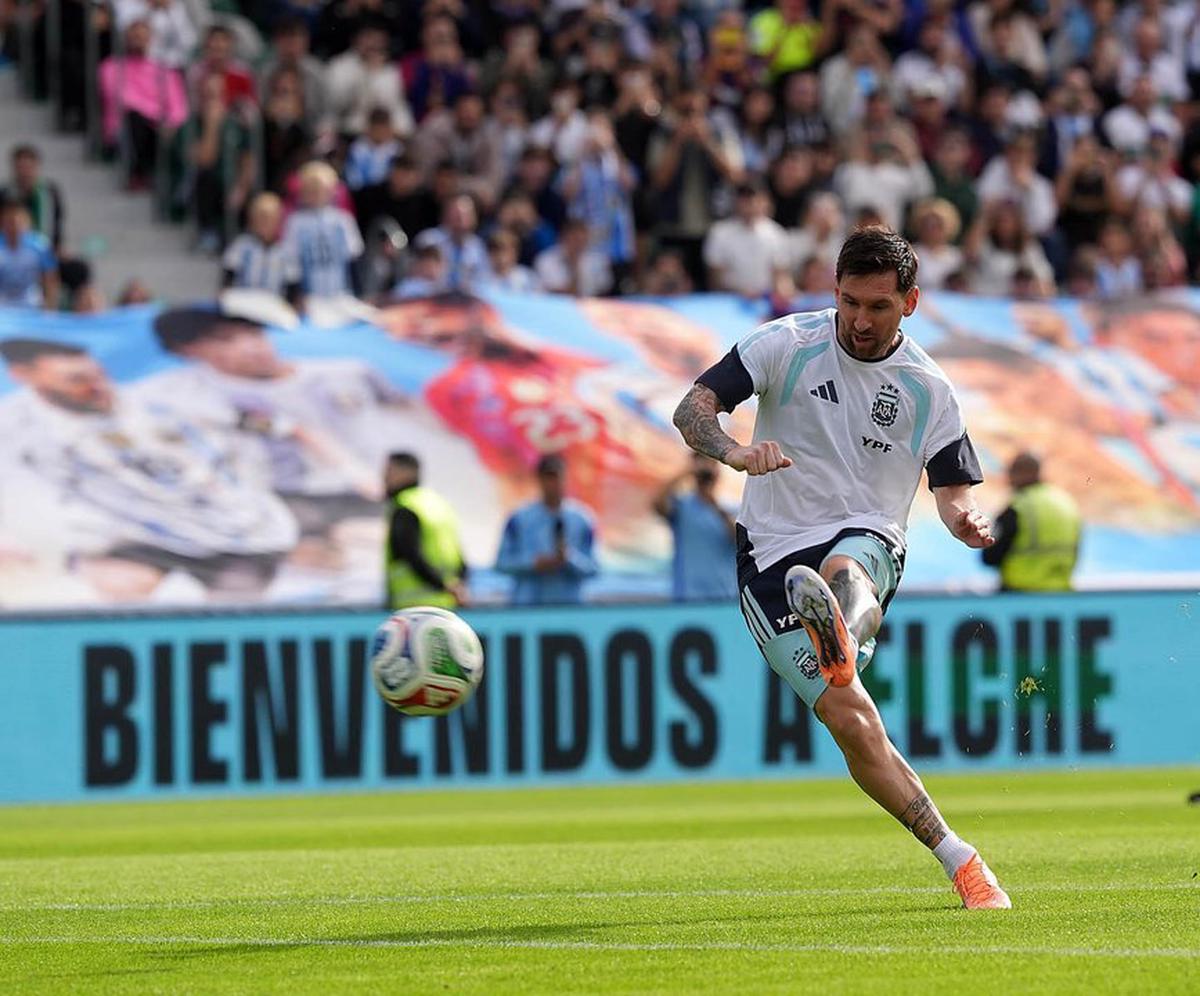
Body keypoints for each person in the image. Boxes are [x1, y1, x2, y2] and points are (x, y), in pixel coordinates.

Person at [671, 226, 1011, 910]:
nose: (860, 319)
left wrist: (964, 520)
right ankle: (960, 858)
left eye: (879, 306)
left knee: (844, 567)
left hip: (868, 534)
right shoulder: (786, 344)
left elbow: (952, 490)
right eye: (850, 301)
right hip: (768, 554)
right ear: (835, 291)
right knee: (851, 722)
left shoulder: (927, 389)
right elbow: (693, 408)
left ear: (909, 303)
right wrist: (733, 452)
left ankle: (840, 635)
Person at [0, 338, 297, 602]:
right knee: (107, 589)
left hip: (236, 532)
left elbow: (279, 426)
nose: (96, 387)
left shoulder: (157, 402)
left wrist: (340, 464)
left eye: (99, 376)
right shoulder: (16, 427)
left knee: (236, 612)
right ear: (25, 375)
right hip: (128, 541)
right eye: (76, 380)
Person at [496, 454, 598, 605]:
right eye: (547, 478)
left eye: (556, 477)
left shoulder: (582, 519)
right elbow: (502, 563)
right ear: (539, 480)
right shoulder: (519, 518)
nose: (552, 484)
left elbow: (594, 568)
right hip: (528, 607)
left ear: (565, 479)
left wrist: (569, 559)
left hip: (569, 608)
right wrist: (532, 564)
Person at [981, 451, 1082, 591]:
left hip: (1020, 595)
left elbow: (990, 557)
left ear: (1020, 473)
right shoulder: (1065, 502)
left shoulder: (1018, 507)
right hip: (1061, 593)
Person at [384, 451, 467, 609]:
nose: (385, 478)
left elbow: (411, 555)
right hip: (447, 605)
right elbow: (459, 555)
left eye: (389, 471)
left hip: (413, 609)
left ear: (405, 473)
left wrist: (441, 585)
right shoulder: (438, 503)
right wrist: (456, 587)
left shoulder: (405, 506)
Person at [654, 453, 738, 601]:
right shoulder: (682, 506)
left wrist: (714, 505)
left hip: (726, 597)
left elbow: (738, 540)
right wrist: (687, 472)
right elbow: (657, 504)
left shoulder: (731, 508)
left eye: (712, 463)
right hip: (689, 597)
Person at [283, 161, 365, 300]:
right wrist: (295, 295)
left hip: (341, 292)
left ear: (331, 191)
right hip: (309, 296)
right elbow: (291, 261)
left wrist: (359, 293)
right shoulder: (295, 222)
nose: (315, 194)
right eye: (310, 190)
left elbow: (353, 257)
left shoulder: (343, 220)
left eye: (319, 189)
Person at [221, 192, 303, 304]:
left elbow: (292, 284)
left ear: (278, 221)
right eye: (260, 218)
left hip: (273, 301)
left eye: (269, 219)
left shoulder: (286, 251)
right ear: (252, 220)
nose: (265, 223)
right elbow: (229, 274)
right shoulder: (241, 245)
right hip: (244, 299)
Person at [0, 197, 58, 309]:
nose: (14, 227)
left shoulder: (39, 245)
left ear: (28, 223)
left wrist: (50, 307)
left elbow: (50, 278)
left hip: (31, 303)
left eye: (18, 222)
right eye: (9, 222)